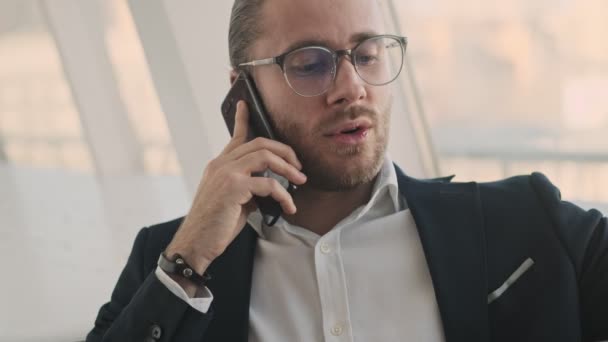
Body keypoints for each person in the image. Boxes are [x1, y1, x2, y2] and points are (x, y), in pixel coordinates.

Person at [86, 0, 608, 341]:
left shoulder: (525, 221)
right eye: (311, 64)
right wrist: (188, 256)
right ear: (243, 91)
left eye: (368, 54)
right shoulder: (174, 263)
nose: (351, 87)